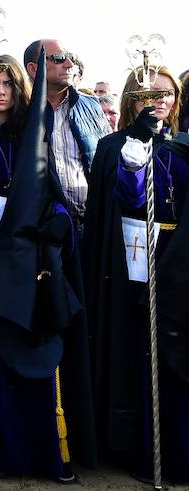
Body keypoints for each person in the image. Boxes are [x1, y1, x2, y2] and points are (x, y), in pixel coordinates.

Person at [0, 54, 95, 483]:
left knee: (33, 352)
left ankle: (43, 449)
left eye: (7, 82)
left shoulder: (33, 135)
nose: (0, 90)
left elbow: (52, 188)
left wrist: (60, 215)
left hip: (29, 266)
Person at [85, 65, 189, 484]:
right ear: (132, 99)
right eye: (149, 95)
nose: (158, 101)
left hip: (179, 260)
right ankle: (140, 448)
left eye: (165, 94)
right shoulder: (113, 147)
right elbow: (125, 197)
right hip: (131, 258)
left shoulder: (183, 147)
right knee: (137, 350)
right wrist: (135, 159)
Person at [23, 40, 110, 237]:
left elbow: (106, 162)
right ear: (34, 69)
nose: (70, 64)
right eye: (60, 58)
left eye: (71, 58)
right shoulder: (22, 111)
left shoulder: (91, 106)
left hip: (89, 225)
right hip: (41, 229)